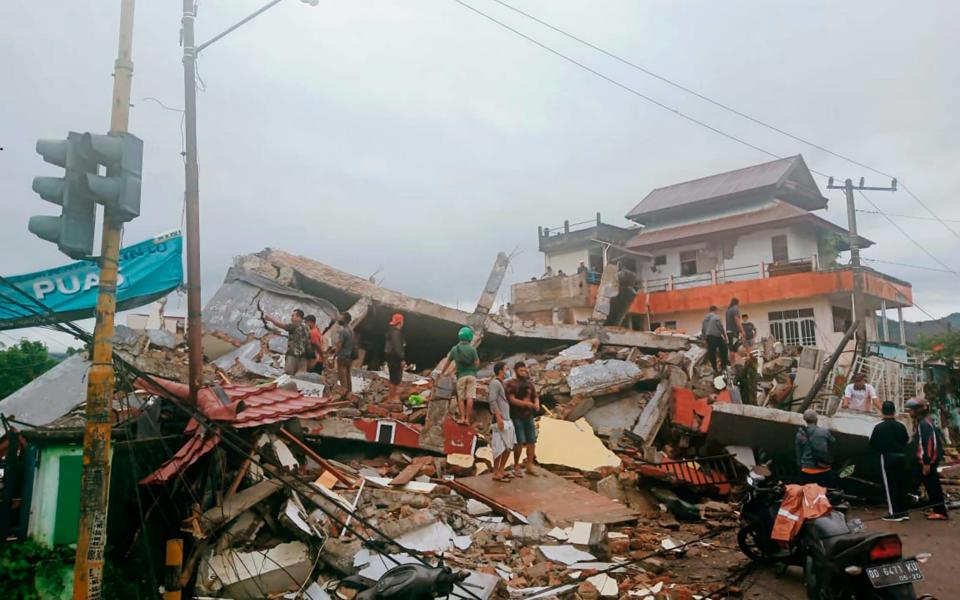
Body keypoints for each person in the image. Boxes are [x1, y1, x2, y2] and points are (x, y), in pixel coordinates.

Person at [905, 398, 948, 520]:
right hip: (926, 461)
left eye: (911, 410)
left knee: (933, 486)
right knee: (931, 485)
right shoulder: (924, 422)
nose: (909, 413)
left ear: (917, 410)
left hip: (927, 462)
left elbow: (928, 444)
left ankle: (940, 512)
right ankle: (937, 509)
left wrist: (926, 462)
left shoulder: (924, 424)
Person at [870, 400, 910, 521]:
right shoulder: (901, 426)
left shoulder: (879, 427)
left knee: (890, 485)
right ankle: (904, 512)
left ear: (882, 411)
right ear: (894, 411)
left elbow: (873, 445)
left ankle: (894, 513)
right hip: (901, 457)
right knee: (901, 484)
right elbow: (906, 440)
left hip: (887, 457)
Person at [507, 361, 540, 478]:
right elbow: (511, 399)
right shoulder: (512, 384)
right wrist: (525, 404)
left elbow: (535, 397)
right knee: (519, 441)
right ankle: (516, 466)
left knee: (532, 441)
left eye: (525, 370)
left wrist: (536, 404)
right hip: (517, 416)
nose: (524, 372)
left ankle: (529, 465)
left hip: (529, 416)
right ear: (516, 371)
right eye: (521, 370)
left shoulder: (530, 384)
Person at [488, 361, 516, 482]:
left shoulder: (502, 383)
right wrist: (498, 417)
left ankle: (502, 469)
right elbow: (492, 400)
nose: (507, 371)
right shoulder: (495, 383)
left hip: (507, 418)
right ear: (500, 370)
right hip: (500, 419)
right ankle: (495, 472)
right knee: (499, 447)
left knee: (508, 445)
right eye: (505, 369)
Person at [795, 409, 836, 487]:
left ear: (805, 420)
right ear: (816, 419)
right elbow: (833, 441)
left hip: (806, 469)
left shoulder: (800, 434)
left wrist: (801, 466)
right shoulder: (824, 432)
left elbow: (798, 454)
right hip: (823, 468)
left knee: (807, 492)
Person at [265, 308, 311, 375]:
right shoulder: (307, 327)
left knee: (288, 375)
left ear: (298, 317)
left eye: (293, 316)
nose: (291, 318)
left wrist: (271, 319)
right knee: (300, 377)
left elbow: (282, 325)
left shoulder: (295, 325)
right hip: (303, 357)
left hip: (293, 355)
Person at [448, 327, 480, 424]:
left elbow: (448, 362)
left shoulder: (455, 349)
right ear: (470, 337)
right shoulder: (472, 349)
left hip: (461, 376)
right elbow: (477, 363)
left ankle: (462, 418)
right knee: (470, 397)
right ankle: (467, 419)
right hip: (471, 376)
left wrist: (443, 373)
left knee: (461, 398)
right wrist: (473, 370)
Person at [384, 313, 406, 402]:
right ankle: (392, 399)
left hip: (391, 358)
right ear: (400, 322)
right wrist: (401, 359)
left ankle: (391, 398)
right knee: (396, 379)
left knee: (393, 378)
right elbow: (397, 347)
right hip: (395, 359)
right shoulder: (396, 333)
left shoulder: (391, 332)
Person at [333, 312, 356, 395]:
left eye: (340, 318)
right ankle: (349, 392)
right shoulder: (351, 330)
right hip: (350, 356)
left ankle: (344, 394)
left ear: (345, 320)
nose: (339, 319)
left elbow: (339, 345)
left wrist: (334, 355)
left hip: (342, 356)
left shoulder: (343, 331)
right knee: (348, 375)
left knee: (342, 376)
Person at [701, 305, 728, 373]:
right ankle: (723, 366)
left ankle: (714, 367)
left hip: (709, 337)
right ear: (715, 310)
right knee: (724, 349)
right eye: (717, 310)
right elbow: (720, 327)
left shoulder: (705, 318)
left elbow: (703, 329)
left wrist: (704, 339)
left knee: (712, 352)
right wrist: (725, 336)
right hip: (716, 336)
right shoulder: (716, 317)